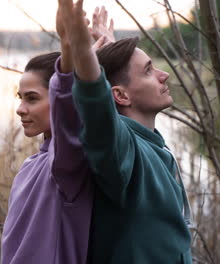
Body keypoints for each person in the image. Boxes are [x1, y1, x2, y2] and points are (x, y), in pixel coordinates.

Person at [57, 0, 193, 263]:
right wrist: (84, 56)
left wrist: (113, 52)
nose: (163, 75)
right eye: (149, 71)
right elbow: (98, 117)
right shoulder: (123, 153)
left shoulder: (153, 146)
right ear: (119, 95)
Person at [1, 7, 115, 264]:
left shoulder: (67, 166)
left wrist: (70, 49)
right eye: (21, 98)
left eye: (32, 98)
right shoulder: (31, 166)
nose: (20, 109)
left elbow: (74, 119)